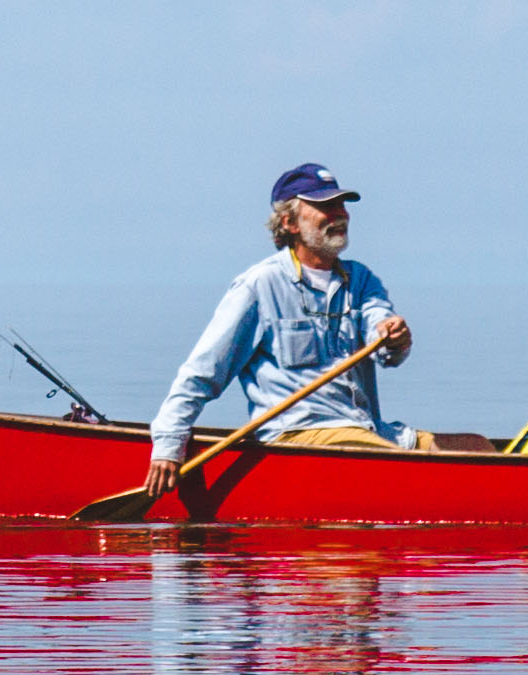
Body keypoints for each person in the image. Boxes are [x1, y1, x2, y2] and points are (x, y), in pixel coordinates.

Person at [145, 165, 415, 494]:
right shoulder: (258, 286)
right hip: (297, 437)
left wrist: (393, 336)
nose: (339, 214)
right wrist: (168, 445)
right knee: (411, 470)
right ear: (289, 223)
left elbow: (384, 339)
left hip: (369, 433)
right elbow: (201, 373)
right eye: (325, 207)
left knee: (471, 445)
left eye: (341, 205)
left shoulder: (361, 279)